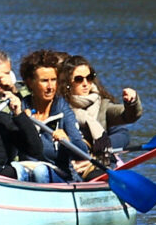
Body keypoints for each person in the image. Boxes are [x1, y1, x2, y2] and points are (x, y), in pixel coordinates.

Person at [17, 50, 101, 182]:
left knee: (40, 172)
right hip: (27, 170)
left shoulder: (62, 108)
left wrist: (67, 141)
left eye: (54, 80)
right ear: (30, 82)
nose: (50, 87)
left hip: (59, 174)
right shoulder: (20, 107)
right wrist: (21, 120)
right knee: (16, 169)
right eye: (44, 81)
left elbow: (82, 152)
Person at [64, 56, 142, 154]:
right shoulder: (61, 106)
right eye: (79, 79)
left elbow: (128, 116)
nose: (85, 83)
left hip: (99, 160)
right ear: (67, 82)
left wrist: (132, 103)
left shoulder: (102, 106)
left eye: (89, 78)